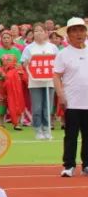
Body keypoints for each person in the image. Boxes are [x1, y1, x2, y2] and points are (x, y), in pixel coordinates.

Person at [53, 17, 88, 177]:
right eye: (74, 31)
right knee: (71, 135)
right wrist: (61, 95)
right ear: (68, 34)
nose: (79, 34)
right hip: (72, 101)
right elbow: (56, 75)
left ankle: (86, 164)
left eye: (81, 30)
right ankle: (69, 165)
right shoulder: (63, 54)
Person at [20, 23, 58, 141]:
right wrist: (26, 63)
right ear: (33, 34)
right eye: (36, 31)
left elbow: (58, 62)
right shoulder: (29, 48)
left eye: (41, 30)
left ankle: (47, 129)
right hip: (35, 82)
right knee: (37, 108)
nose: (38, 33)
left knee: (48, 107)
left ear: (46, 33)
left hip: (49, 81)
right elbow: (23, 63)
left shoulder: (52, 47)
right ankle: (38, 129)